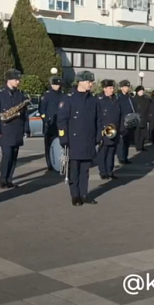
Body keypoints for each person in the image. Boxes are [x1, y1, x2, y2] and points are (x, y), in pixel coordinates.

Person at [57, 71, 98, 206]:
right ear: (80, 82)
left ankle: (84, 194)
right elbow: (62, 121)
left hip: (88, 140)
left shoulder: (93, 100)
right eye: (88, 82)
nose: (91, 84)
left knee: (85, 170)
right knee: (74, 170)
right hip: (74, 140)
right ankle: (75, 195)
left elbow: (98, 120)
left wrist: (98, 136)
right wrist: (63, 138)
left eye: (91, 82)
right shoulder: (69, 98)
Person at [0, 69, 30, 189]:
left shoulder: (21, 94)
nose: (18, 82)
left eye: (18, 79)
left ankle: (9, 179)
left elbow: (25, 114)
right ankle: (3, 180)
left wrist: (26, 129)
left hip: (17, 129)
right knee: (7, 155)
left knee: (14, 156)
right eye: (16, 79)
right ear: (9, 80)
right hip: (5, 130)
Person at [96, 80, 123, 180]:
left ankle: (110, 171)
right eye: (110, 88)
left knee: (111, 152)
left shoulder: (116, 99)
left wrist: (120, 128)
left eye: (112, 88)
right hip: (104, 130)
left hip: (114, 130)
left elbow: (120, 115)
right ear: (104, 89)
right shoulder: (100, 100)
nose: (112, 90)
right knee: (103, 152)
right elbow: (97, 117)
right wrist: (100, 131)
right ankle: (103, 171)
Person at [39, 76, 63, 172]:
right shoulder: (46, 95)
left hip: (60, 124)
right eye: (55, 84)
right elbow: (42, 110)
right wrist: (46, 120)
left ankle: (60, 162)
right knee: (49, 146)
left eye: (59, 84)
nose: (57, 86)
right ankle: (50, 164)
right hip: (50, 124)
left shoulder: (63, 95)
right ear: (52, 85)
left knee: (61, 145)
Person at [116, 80, 135, 164]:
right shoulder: (118, 98)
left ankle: (125, 156)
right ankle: (121, 157)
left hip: (129, 121)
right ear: (121, 88)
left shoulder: (129, 98)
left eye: (127, 87)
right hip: (121, 121)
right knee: (121, 141)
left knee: (127, 141)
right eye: (125, 87)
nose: (127, 88)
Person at [133, 86, 151, 152]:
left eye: (142, 91)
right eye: (140, 91)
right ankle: (138, 146)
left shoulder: (145, 99)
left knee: (143, 133)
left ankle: (142, 145)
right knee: (137, 133)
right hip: (137, 118)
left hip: (144, 118)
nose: (142, 92)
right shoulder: (134, 99)